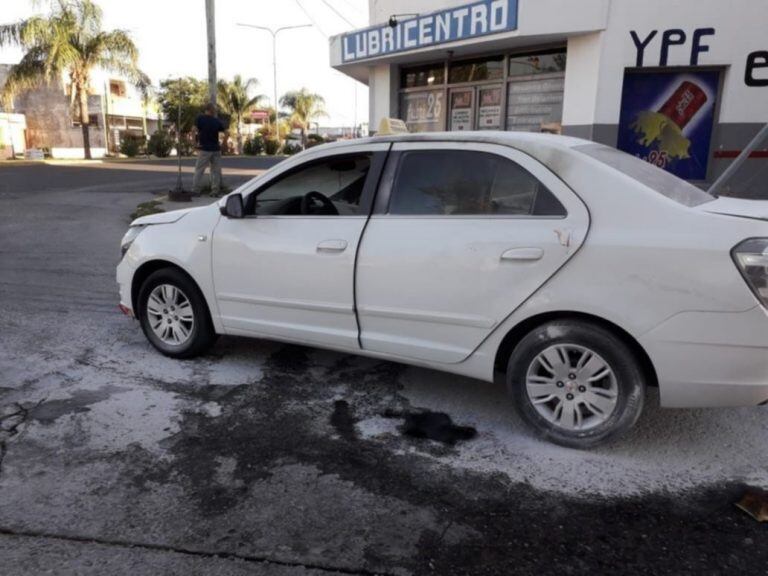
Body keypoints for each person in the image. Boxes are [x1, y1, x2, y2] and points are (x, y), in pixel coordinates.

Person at [192, 102, 226, 195]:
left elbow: (193, 130)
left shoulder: (200, 119)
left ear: (206, 110)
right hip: (215, 149)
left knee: (199, 170)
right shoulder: (216, 121)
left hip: (204, 149)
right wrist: (223, 144)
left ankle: (196, 190)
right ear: (213, 110)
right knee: (215, 171)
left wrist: (194, 143)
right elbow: (226, 132)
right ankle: (215, 190)